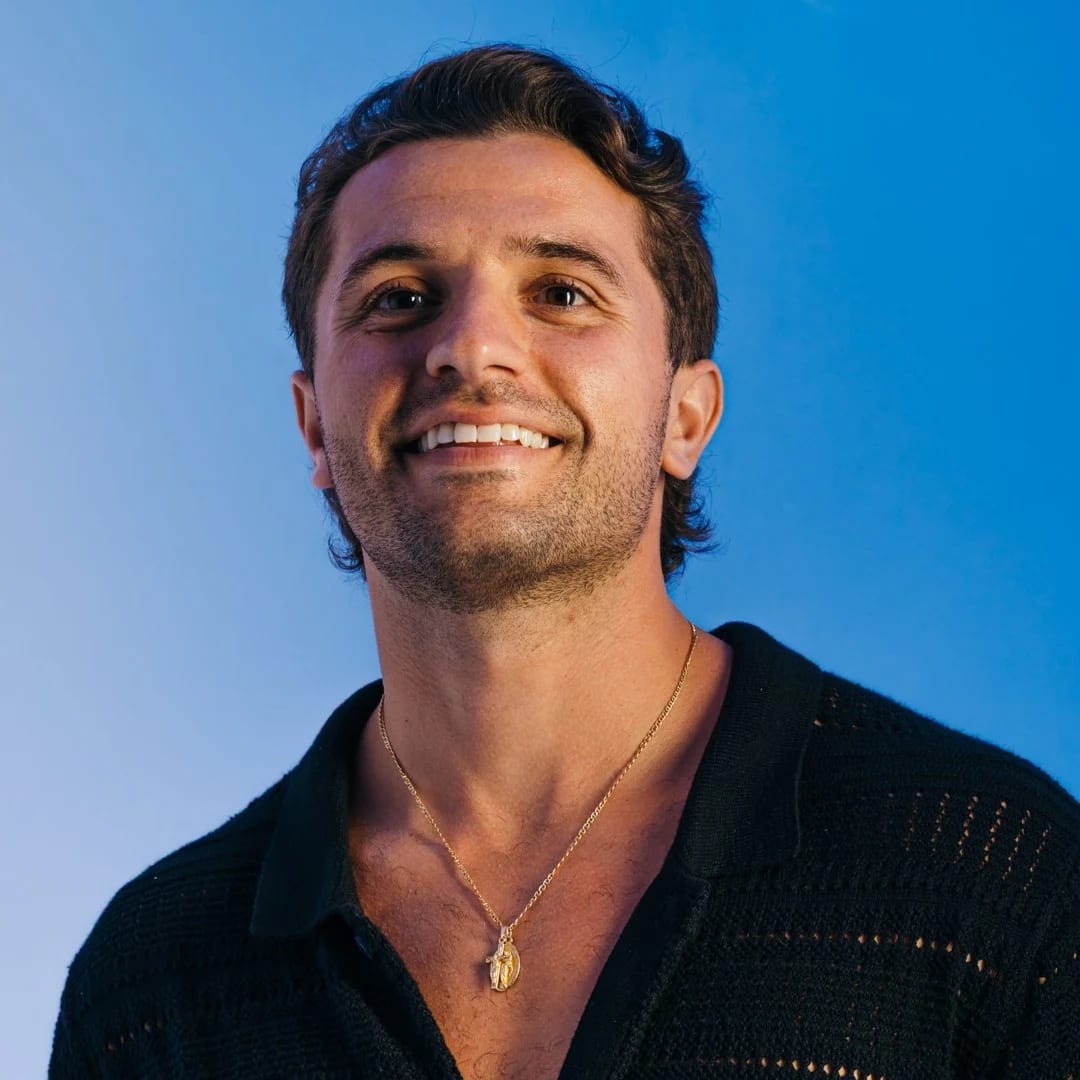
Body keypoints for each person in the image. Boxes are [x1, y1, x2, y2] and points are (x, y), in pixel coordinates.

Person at [50, 45, 1079, 1079]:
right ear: (314, 425)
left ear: (686, 417)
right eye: (400, 297)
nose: (471, 348)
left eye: (562, 292)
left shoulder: (997, 882)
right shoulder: (150, 984)